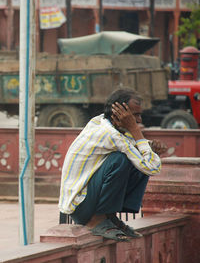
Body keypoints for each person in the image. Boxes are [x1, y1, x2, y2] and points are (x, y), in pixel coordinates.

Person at [58, 88, 168, 242]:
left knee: (135, 159)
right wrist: (136, 131)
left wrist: (147, 145)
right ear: (119, 114)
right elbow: (152, 167)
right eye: (134, 115)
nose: (139, 120)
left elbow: (131, 146)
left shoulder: (104, 122)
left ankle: (109, 216)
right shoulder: (109, 133)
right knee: (121, 159)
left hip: (86, 200)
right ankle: (96, 220)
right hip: (80, 206)